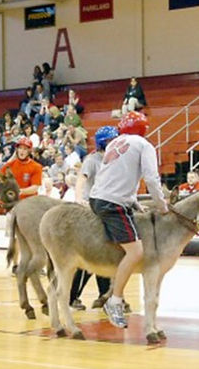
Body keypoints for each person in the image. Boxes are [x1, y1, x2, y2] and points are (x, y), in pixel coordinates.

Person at [89, 111, 168, 328]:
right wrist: (161, 205)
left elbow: (118, 176)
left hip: (97, 198)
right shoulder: (144, 145)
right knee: (136, 252)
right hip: (112, 203)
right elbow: (152, 179)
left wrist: (133, 201)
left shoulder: (116, 142)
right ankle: (115, 300)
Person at [70, 126, 119, 311]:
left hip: (108, 209)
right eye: (111, 141)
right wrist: (79, 198)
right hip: (94, 209)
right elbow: (82, 179)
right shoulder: (92, 160)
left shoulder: (114, 161)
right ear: (102, 143)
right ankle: (71, 297)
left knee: (105, 255)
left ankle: (104, 296)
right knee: (91, 257)